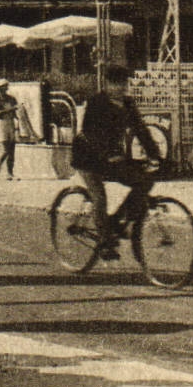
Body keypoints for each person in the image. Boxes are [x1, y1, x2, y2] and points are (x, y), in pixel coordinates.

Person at [71, 65, 163, 261]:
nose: (121, 88)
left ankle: (116, 221)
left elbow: (141, 130)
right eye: (116, 84)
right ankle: (104, 242)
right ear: (107, 84)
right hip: (88, 156)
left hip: (111, 157)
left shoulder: (128, 104)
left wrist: (156, 155)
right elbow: (90, 133)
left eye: (124, 83)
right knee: (99, 197)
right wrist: (107, 154)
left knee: (144, 182)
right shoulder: (97, 102)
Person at [0, 79, 20, 180]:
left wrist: (18, 118)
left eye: (6, 86)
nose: (5, 88)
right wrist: (12, 109)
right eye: (3, 86)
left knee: (12, 150)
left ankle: (10, 173)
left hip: (11, 123)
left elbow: (16, 113)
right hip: (1, 125)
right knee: (5, 150)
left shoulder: (12, 98)